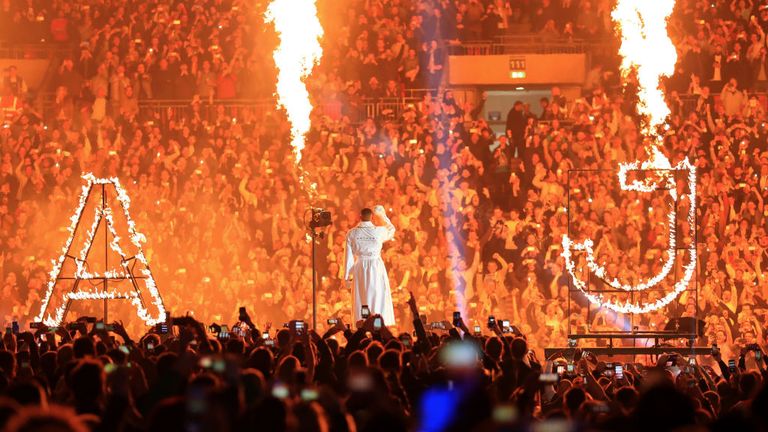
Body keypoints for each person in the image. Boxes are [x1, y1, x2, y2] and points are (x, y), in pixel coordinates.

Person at [345, 206, 396, 326]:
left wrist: (347, 277)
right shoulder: (379, 231)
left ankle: (364, 324)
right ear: (372, 217)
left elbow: (348, 257)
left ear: (360, 217)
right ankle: (377, 325)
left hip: (360, 266)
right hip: (375, 267)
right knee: (377, 296)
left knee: (362, 297)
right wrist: (382, 215)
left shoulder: (352, 233)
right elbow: (391, 229)